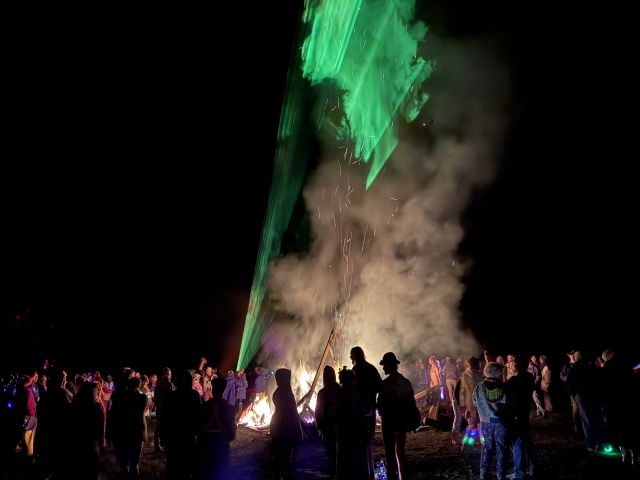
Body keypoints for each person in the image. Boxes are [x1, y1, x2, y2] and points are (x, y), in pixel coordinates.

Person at [377, 352, 419, 480]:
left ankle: (392, 477)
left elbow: (380, 404)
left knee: (390, 454)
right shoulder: (406, 383)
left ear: (390, 366)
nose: (383, 368)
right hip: (401, 422)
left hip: (389, 423)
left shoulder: (384, 385)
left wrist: (381, 413)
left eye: (385, 365)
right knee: (400, 453)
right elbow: (411, 404)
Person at [473, 362, 514, 480]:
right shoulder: (504, 387)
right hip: (501, 423)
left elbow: (475, 403)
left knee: (487, 448)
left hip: (485, 422)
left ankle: (483, 475)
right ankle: (501, 475)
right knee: (502, 449)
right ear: (498, 373)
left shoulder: (479, 387)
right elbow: (509, 404)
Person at [350, 346, 382, 479]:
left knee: (360, 438)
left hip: (359, 409)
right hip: (370, 407)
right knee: (369, 436)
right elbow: (379, 385)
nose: (350, 357)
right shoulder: (371, 368)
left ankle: (364, 468)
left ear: (356, 356)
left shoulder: (355, 370)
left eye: (351, 355)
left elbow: (351, 389)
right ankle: (369, 464)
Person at [166, 369, 202, 479]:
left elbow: (167, 416)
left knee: (175, 465)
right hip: (189, 433)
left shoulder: (172, 396)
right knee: (188, 463)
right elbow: (198, 414)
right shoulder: (194, 395)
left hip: (175, 434)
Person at [198, 376, 237, 480]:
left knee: (206, 469)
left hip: (206, 442)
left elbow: (199, 426)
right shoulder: (230, 408)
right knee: (221, 468)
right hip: (221, 443)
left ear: (213, 388)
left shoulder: (204, 406)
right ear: (224, 389)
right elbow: (232, 433)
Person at [506, 355, 537, 479]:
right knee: (527, 442)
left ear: (518, 365)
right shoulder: (529, 377)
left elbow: (503, 388)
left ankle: (520, 473)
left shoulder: (514, 380)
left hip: (516, 413)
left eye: (514, 363)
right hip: (525, 411)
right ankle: (534, 470)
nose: (513, 365)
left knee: (517, 443)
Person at [336, 367, 371, 480]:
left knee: (344, 462)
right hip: (359, 431)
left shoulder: (338, 395)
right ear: (353, 380)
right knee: (360, 462)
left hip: (345, 432)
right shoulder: (359, 394)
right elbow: (368, 410)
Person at [270, 368, 303, 480]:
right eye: (288, 378)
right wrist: (296, 428)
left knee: (281, 453)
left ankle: (280, 473)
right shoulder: (284, 393)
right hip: (284, 425)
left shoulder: (281, 391)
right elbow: (290, 411)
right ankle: (281, 474)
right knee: (283, 453)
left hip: (278, 424)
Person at [71, 382, 105, 480]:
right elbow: (100, 430)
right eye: (97, 391)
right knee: (91, 472)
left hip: (76, 444)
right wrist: (101, 446)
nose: (98, 393)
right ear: (92, 392)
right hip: (91, 445)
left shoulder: (74, 405)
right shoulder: (96, 407)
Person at [315, 366, 340, 479]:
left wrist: (319, 425)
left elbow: (318, 410)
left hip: (328, 425)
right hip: (339, 425)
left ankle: (333, 473)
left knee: (331, 451)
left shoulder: (322, 392)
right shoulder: (340, 389)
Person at [452, 356, 483, 446]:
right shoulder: (466, 376)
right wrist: (463, 407)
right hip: (461, 401)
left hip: (472, 403)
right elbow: (457, 393)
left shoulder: (479, 375)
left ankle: (477, 441)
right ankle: (461, 441)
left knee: (475, 422)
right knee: (460, 419)